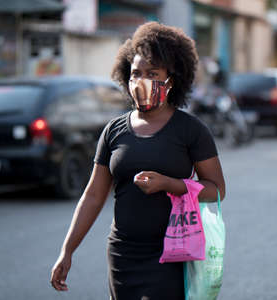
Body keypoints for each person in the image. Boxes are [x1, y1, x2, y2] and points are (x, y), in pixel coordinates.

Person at [50, 21, 226, 299]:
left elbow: (217, 190)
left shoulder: (191, 130)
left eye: (152, 73)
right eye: (136, 73)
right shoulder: (114, 131)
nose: (141, 80)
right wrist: (67, 250)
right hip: (123, 256)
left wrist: (169, 184)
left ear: (172, 78)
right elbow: (94, 195)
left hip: (173, 253)